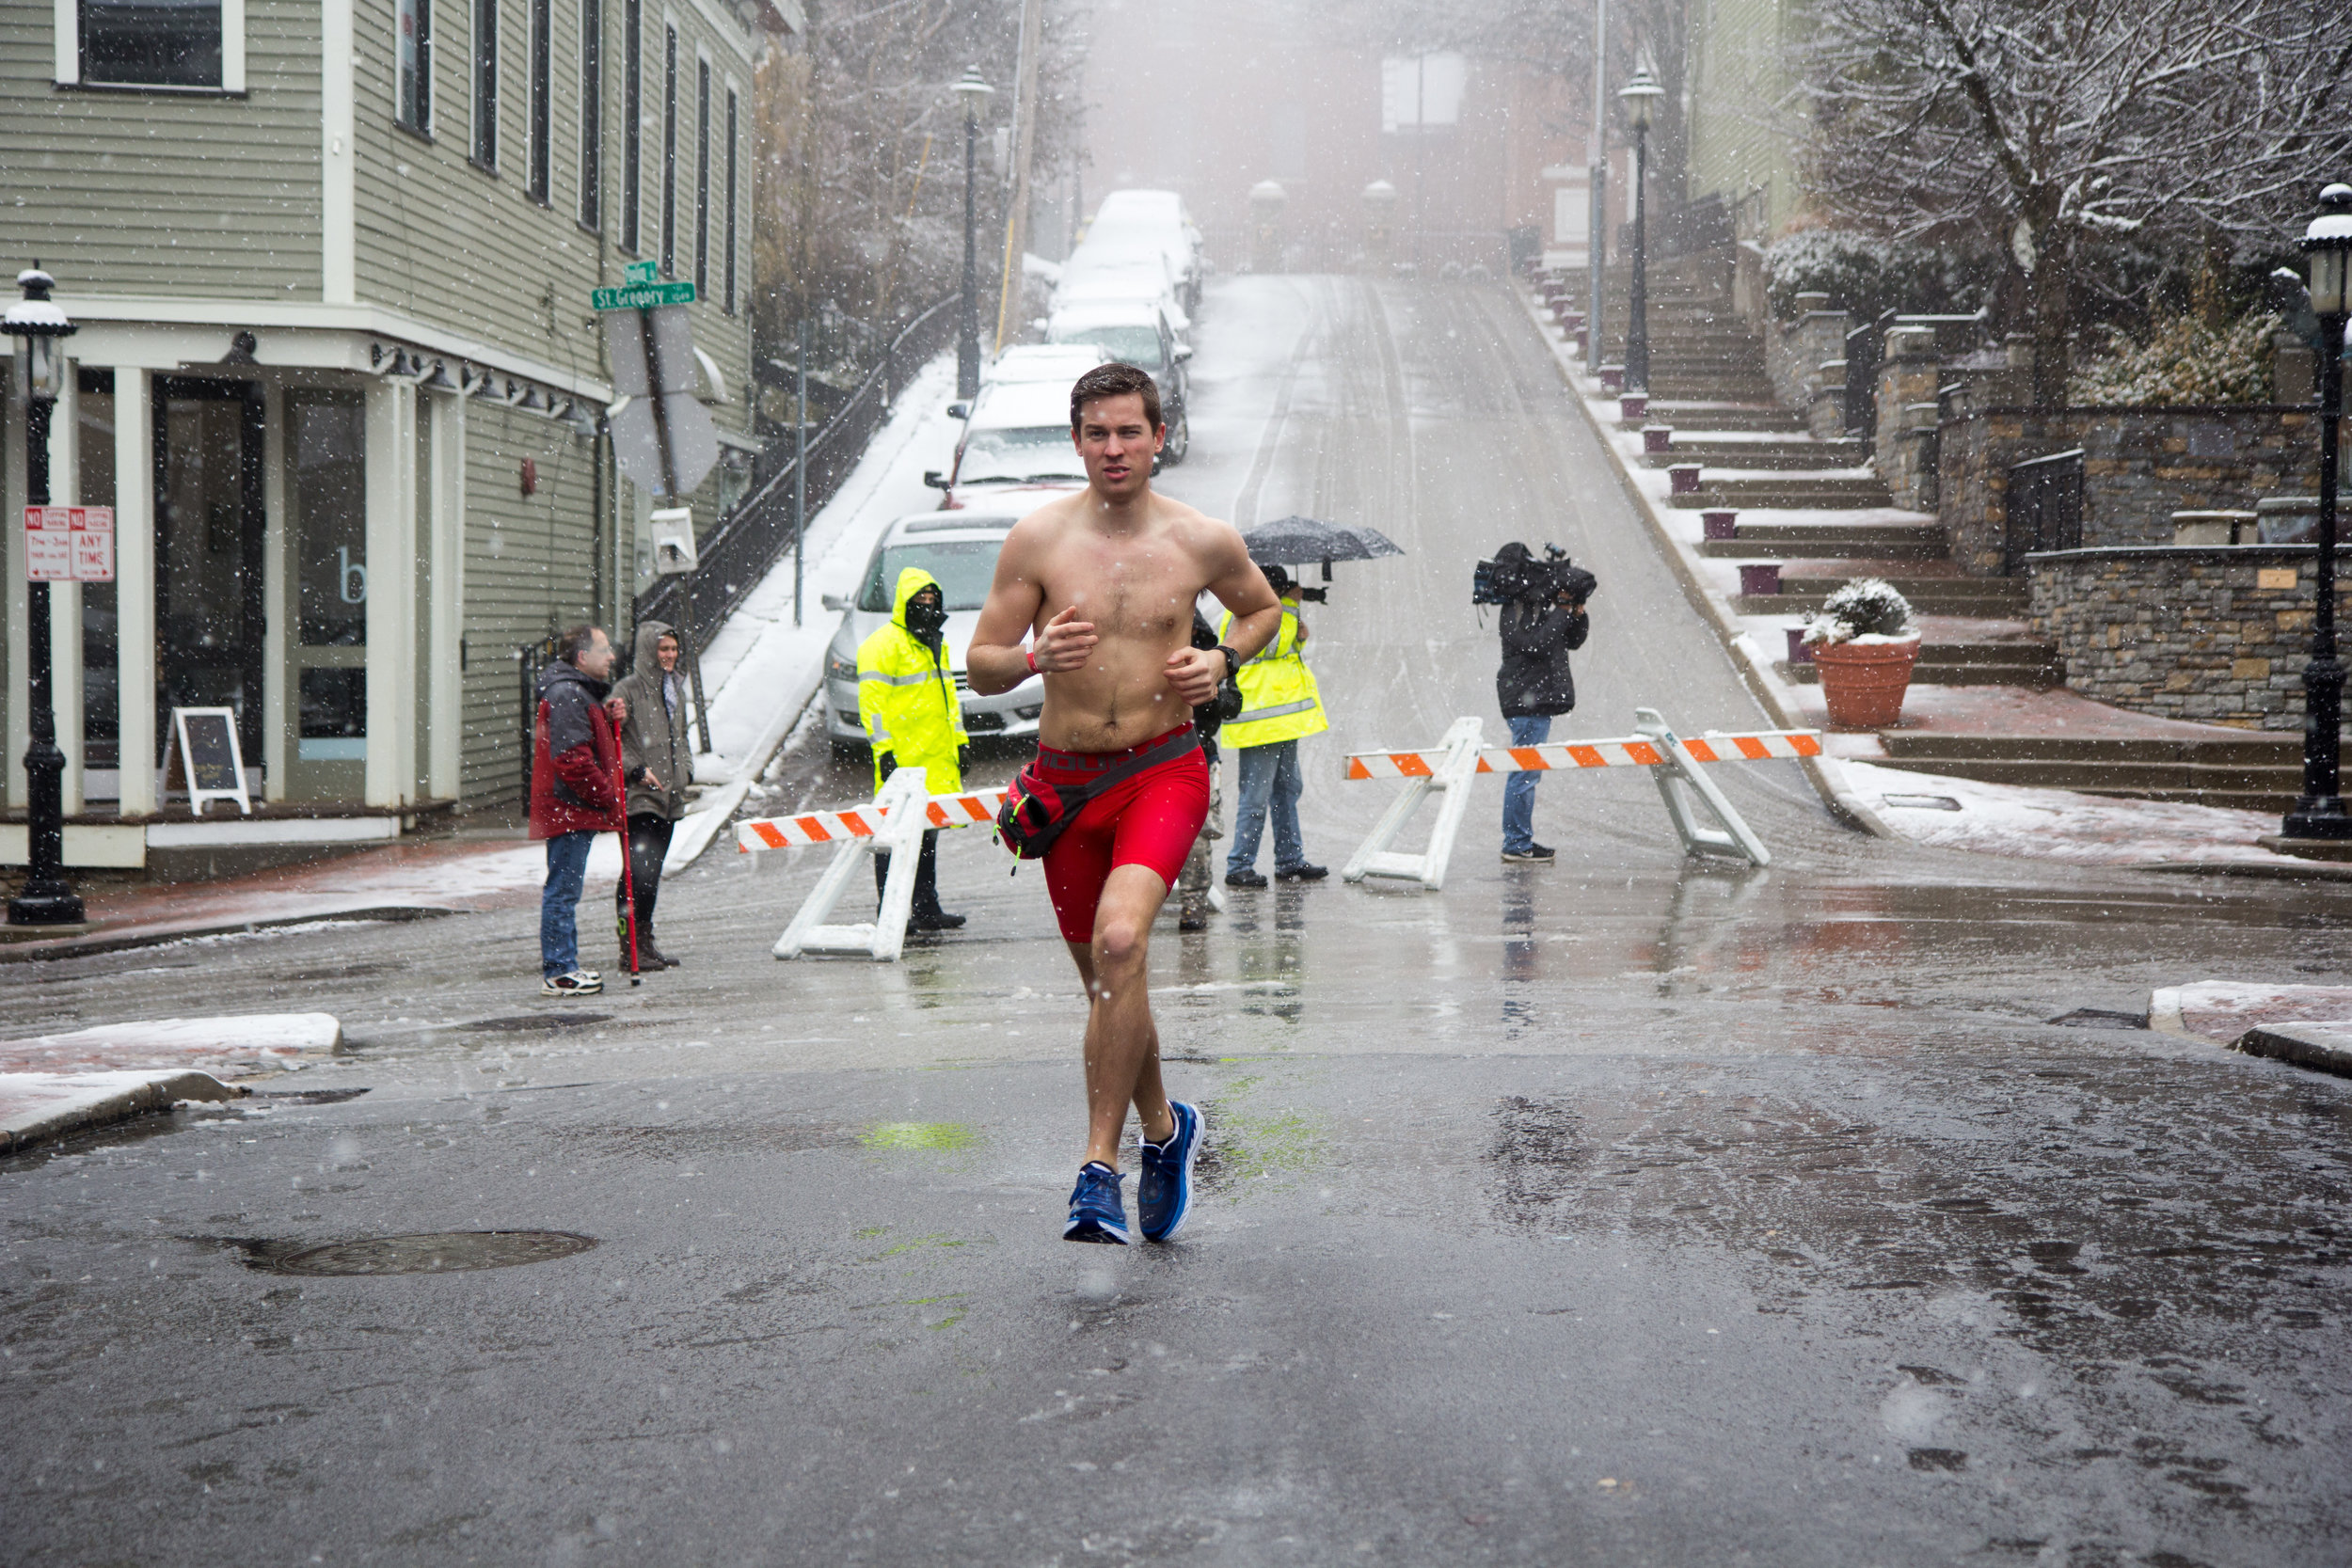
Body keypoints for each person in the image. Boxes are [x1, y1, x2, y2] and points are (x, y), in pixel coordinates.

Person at [967, 361, 1282, 1245]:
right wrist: (1035, 659)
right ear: (1077, 441)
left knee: (1120, 943)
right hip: (1064, 786)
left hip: (1163, 770)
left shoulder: (1200, 540)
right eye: (1097, 433)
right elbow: (980, 661)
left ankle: (1096, 1171)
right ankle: (1167, 1131)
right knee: (1113, 987)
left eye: (1129, 431)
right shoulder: (1038, 540)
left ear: (1158, 438)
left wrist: (1223, 661)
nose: (1114, 448)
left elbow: (1264, 614)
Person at [857, 567, 969, 932]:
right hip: (903, 759)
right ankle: (891, 913)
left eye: (931, 599)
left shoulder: (936, 642)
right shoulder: (882, 646)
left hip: (934, 757)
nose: (927, 605)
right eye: (919, 599)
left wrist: (961, 742)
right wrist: (884, 750)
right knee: (893, 838)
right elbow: (872, 706)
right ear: (904, 602)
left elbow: (949, 699)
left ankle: (925, 908)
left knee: (927, 836)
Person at [530, 625, 628, 996]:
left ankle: (563, 965)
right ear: (583, 657)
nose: (612, 656)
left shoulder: (575, 692)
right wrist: (607, 796)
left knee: (565, 888)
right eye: (605, 649)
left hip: (571, 807)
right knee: (563, 890)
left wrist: (604, 714)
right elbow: (572, 759)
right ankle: (559, 971)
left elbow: (582, 738)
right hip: (569, 808)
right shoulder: (568, 694)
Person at [1220, 562, 1329, 888]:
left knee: (1287, 791)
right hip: (1261, 723)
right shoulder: (1246, 612)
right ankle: (1240, 865)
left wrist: (1299, 635)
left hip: (1282, 721)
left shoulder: (1273, 612)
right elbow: (1268, 647)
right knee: (1255, 796)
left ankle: (1290, 860)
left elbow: (1285, 652)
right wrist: (1290, 607)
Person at [1494, 542, 1590, 864]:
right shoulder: (1516, 608)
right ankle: (1516, 842)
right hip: (1524, 701)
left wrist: (1577, 613)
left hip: (1535, 700)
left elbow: (1571, 641)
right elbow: (1535, 644)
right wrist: (1561, 611)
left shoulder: (1539, 609)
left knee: (1526, 772)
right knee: (1524, 774)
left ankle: (1519, 840)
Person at [612, 622, 690, 968]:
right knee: (636, 872)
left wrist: (685, 770)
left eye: (673, 649)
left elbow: (682, 738)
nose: (669, 655)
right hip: (638, 796)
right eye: (663, 649)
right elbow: (611, 740)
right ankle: (629, 947)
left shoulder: (674, 689)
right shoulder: (627, 690)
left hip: (669, 796)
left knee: (652, 872)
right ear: (648, 651)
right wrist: (637, 770)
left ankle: (645, 941)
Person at [1175, 610, 1241, 932]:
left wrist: (1214, 692)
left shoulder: (1206, 652)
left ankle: (1193, 906)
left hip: (1196, 752)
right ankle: (1190, 905)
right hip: (1175, 751)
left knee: (1197, 835)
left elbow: (1227, 706)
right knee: (1193, 834)